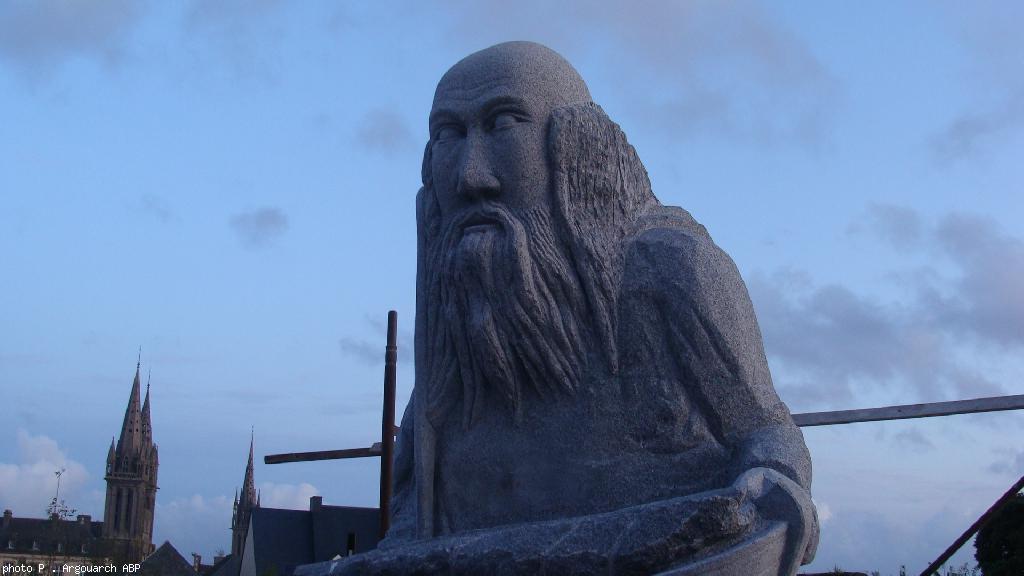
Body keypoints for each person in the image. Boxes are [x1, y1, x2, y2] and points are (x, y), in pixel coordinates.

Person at [305, 41, 818, 576]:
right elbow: (410, 535)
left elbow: (770, 448)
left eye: (502, 125)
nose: (471, 178)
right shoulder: (447, 366)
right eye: (448, 136)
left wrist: (769, 490)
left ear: (574, 150)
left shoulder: (670, 272)